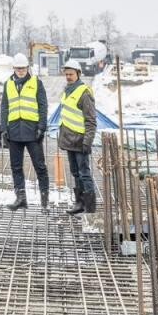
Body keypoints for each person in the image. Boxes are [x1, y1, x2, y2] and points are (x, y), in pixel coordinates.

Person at [0, 53, 49, 210]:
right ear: (14, 68)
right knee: (16, 167)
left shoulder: (36, 83)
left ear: (27, 68)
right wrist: (4, 128)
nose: (20, 71)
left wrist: (42, 127)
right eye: (18, 68)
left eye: (23, 68)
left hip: (32, 131)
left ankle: (44, 201)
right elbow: (4, 107)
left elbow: (43, 106)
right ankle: (21, 199)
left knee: (39, 166)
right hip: (14, 131)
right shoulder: (8, 84)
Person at [59, 59, 97, 214]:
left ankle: (90, 208)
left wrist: (87, 142)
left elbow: (91, 121)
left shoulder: (84, 93)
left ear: (78, 74)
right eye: (66, 74)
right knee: (75, 173)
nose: (68, 76)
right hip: (69, 141)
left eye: (71, 74)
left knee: (84, 174)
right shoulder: (67, 91)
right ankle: (79, 203)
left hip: (80, 141)